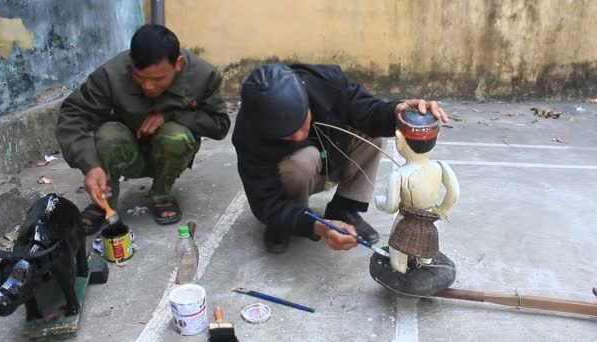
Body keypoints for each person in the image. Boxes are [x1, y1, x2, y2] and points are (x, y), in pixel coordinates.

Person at [232, 63, 448, 253]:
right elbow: (266, 202)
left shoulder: (327, 82)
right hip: (297, 177)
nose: (298, 135)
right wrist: (318, 226)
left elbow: (368, 112)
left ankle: (344, 209)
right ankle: (287, 222)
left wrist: (398, 113)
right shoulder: (248, 133)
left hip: (334, 156)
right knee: (302, 161)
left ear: (305, 95)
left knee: (373, 136)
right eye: (287, 135)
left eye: (300, 122)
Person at [56, 24, 230, 233]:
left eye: (158, 79)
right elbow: (73, 115)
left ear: (178, 64)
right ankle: (104, 202)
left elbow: (220, 125)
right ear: (131, 64)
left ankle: (162, 192)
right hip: (126, 152)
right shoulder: (111, 74)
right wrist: (90, 165)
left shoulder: (203, 75)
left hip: (169, 155)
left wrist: (170, 115)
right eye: (140, 77)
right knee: (107, 135)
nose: (148, 86)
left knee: (177, 136)